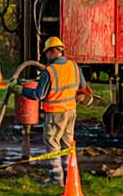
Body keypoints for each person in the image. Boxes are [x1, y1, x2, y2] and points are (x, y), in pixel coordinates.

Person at [17, 36, 88, 184]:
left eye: (47, 53)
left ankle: (56, 178)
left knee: (52, 142)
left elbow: (38, 94)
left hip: (55, 112)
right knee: (67, 144)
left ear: (53, 51)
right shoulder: (74, 66)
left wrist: (20, 89)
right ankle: (69, 176)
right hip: (71, 111)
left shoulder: (49, 71)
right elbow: (82, 85)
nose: (46, 57)